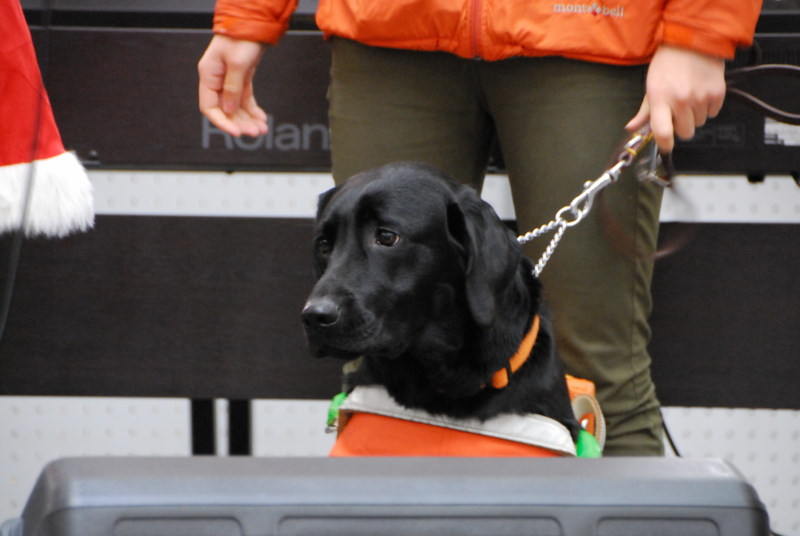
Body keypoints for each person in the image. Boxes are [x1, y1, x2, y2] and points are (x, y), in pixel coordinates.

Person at [198, 0, 762, 455]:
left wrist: (700, 30)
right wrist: (248, 13)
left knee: (595, 371)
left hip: (591, 28)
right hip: (387, 29)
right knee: (370, 346)